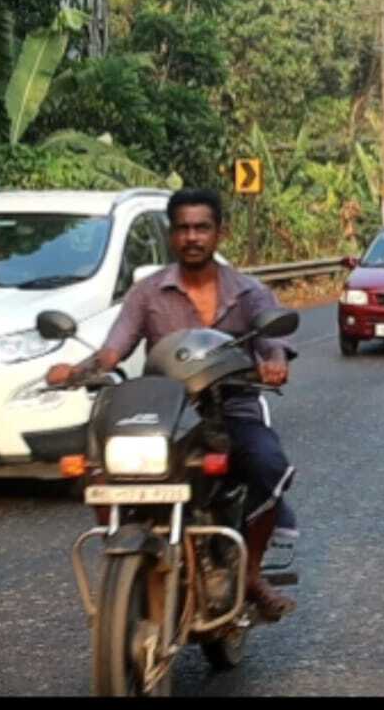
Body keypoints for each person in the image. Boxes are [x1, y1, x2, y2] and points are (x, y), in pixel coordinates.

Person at [45, 188, 297, 622]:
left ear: (219, 233)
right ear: (171, 235)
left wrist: (273, 362)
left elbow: (271, 342)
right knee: (100, 465)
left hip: (229, 408)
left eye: (202, 228)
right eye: (183, 228)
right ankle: (124, 547)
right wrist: (76, 370)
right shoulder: (147, 293)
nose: (192, 237)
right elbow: (114, 349)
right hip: (167, 412)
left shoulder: (248, 291)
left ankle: (251, 575)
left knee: (268, 464)